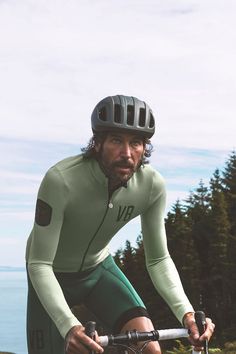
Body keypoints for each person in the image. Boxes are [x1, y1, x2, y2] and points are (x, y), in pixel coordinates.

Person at [26, 94, 215, 354]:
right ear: (98, 143)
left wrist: (187, 313)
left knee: (150, 349)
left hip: (98, 271)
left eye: (136, 142)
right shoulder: (60, 180)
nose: (127, 153)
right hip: (50, 276)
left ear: (144, 148)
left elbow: (158, 259)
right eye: (116, 140)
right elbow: (39, 263)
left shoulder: (151, 185)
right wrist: (68, 325)